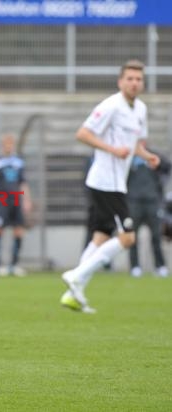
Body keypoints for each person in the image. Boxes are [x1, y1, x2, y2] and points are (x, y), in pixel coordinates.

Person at [61, 59, 160, 314]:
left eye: (139, 79)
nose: (135, 83)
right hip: (105, 183)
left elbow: (134, 143)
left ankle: (74, 293)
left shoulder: (140, 109)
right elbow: (82, 134)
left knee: (101, 236)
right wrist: (112, 149)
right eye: (130, 78)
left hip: (117, 183)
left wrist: (146, 155)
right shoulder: (111, 105)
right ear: (120, 81)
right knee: (127, 238)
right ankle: (77, 275)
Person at [0, 133, 32, 276]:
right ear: (2, 146)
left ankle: (14, 264)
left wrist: (26, 200)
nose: (9, 147)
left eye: (11, 144)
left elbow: (23, 183)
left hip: (16, 200)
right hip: (2, 201)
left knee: (18, 231)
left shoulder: (18, 162)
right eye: (6, 144)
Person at [127, 147, 171, 278]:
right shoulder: (129, 156)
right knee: (132, 237)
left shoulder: (152, 154)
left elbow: (166, 167)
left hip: (152, 201)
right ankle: (135, 267)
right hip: (134, 202)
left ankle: (160, 266)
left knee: (156, 236)